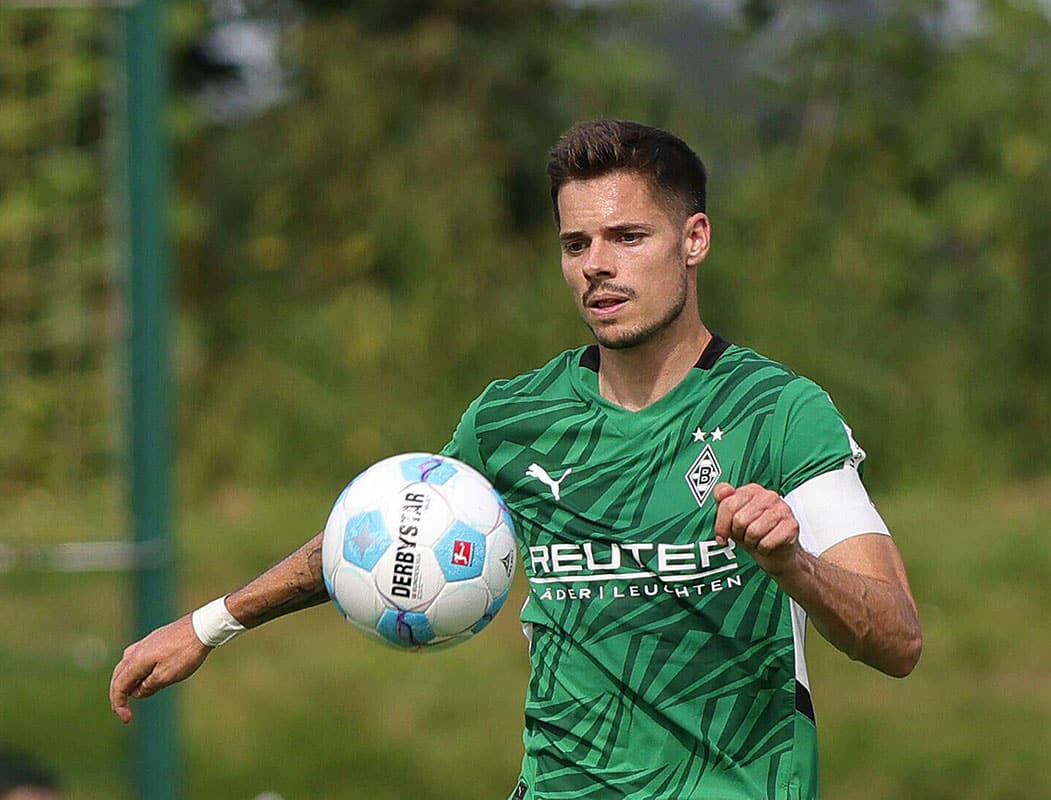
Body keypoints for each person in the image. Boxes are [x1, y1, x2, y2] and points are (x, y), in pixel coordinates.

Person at [110, 119, 922, 799]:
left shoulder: (779, 412)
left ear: (694, 239)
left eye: (627, 237)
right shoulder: (510, 420)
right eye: (576, 244)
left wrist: (792, 565)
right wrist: (209, 624)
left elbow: (897, 639)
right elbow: (380, 533)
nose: (596, 265)